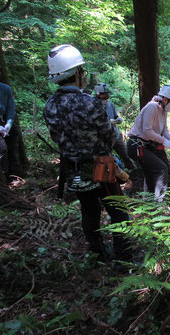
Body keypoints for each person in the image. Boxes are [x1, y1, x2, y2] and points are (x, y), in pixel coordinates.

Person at [43, 44, 131, 262]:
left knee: (89, 211)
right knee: (118, 212)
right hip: (100, 166)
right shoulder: (89, 102)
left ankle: (98, 254)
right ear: (77, 73)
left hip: (72, 168)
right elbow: (109, 135)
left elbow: (56, 137)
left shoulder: (50, 105)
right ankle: (123, 259)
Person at [127, 85, 170, 201]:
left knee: (150, 172)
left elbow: (165, 131)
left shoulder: (163, 111)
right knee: (161, 169)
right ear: (165, 99)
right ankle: (158, 202)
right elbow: (147, 132)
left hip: (145, 145)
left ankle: (148, 201)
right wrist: (164, 141)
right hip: (136, 145)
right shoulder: (152, 107)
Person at [94, 83, 136, 170]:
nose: (107, 96)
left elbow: (115, 116)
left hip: (115, 135)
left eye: (107, 94)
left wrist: (118, 120)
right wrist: (106, 122)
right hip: (103, 139)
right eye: (104, 94)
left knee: (125, 155)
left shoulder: (111, 105)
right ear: (98, 94)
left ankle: (132, 172)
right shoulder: (93, 106)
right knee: (107, 159)